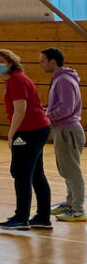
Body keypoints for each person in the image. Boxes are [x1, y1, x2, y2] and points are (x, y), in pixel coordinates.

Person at [0, 49, 52, 230]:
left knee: (21, 173)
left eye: (1, 61)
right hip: (38, 129)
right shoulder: (15, 80)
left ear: (11, 62)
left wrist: (11, 134)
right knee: (36, 174)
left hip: (29, 131)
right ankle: (43, 217)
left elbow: (20, 110)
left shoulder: (16, 80)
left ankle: (21, 218)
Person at [39, 48, 85, 222]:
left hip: (68, 130)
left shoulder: (64, 80)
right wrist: (46, 110)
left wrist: (46, 116)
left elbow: (66, 108)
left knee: (72, 170)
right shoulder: (60, 78)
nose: (40, 64)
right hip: (63, 129)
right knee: (66, 169)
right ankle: (70, 203)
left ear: (53, 62)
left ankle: (78, 210)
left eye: (43, 61)